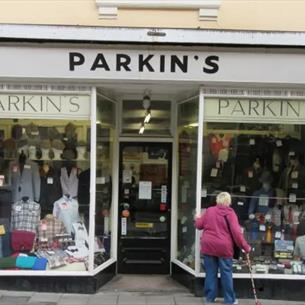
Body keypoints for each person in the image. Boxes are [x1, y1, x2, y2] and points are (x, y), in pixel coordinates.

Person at [195, 192, 251, 305]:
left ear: (217, 200)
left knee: (210, 273)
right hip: (224, 247)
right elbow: (236, 233)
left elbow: (199, 225)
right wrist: (246, 247)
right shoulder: (230, 213)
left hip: (209, 246)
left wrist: (197, 218)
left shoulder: (209, 210)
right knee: (226, 273)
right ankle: (229, 300)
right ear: (228, 202)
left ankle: (210, 298)